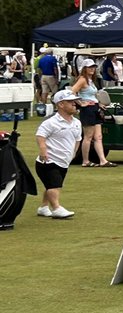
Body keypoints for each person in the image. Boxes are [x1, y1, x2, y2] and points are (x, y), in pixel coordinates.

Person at [34, 90, 83, 218]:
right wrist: (43, 150)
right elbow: (40, 136)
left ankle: (43, 207)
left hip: (64, 161)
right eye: (70, 102)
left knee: (51, 184)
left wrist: (74, 153)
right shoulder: (51, 122)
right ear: (61, 104)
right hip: (48, 161)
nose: (74, 104)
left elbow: (78, 139)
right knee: (54, 185)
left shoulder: (77, 123)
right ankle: (56, 208)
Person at [70, 58, 115, 167]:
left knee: (98, 137)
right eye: (90, 67)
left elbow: (92, 95)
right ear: (84, 68)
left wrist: (98, 104)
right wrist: (80, 103)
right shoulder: (82, 79)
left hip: (95, 108)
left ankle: (103, 160)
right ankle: (85, 161)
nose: (92, 69)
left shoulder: (91, 80)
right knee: (88, 137)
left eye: (93, 67)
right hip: (87, 110)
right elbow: (71, 92)